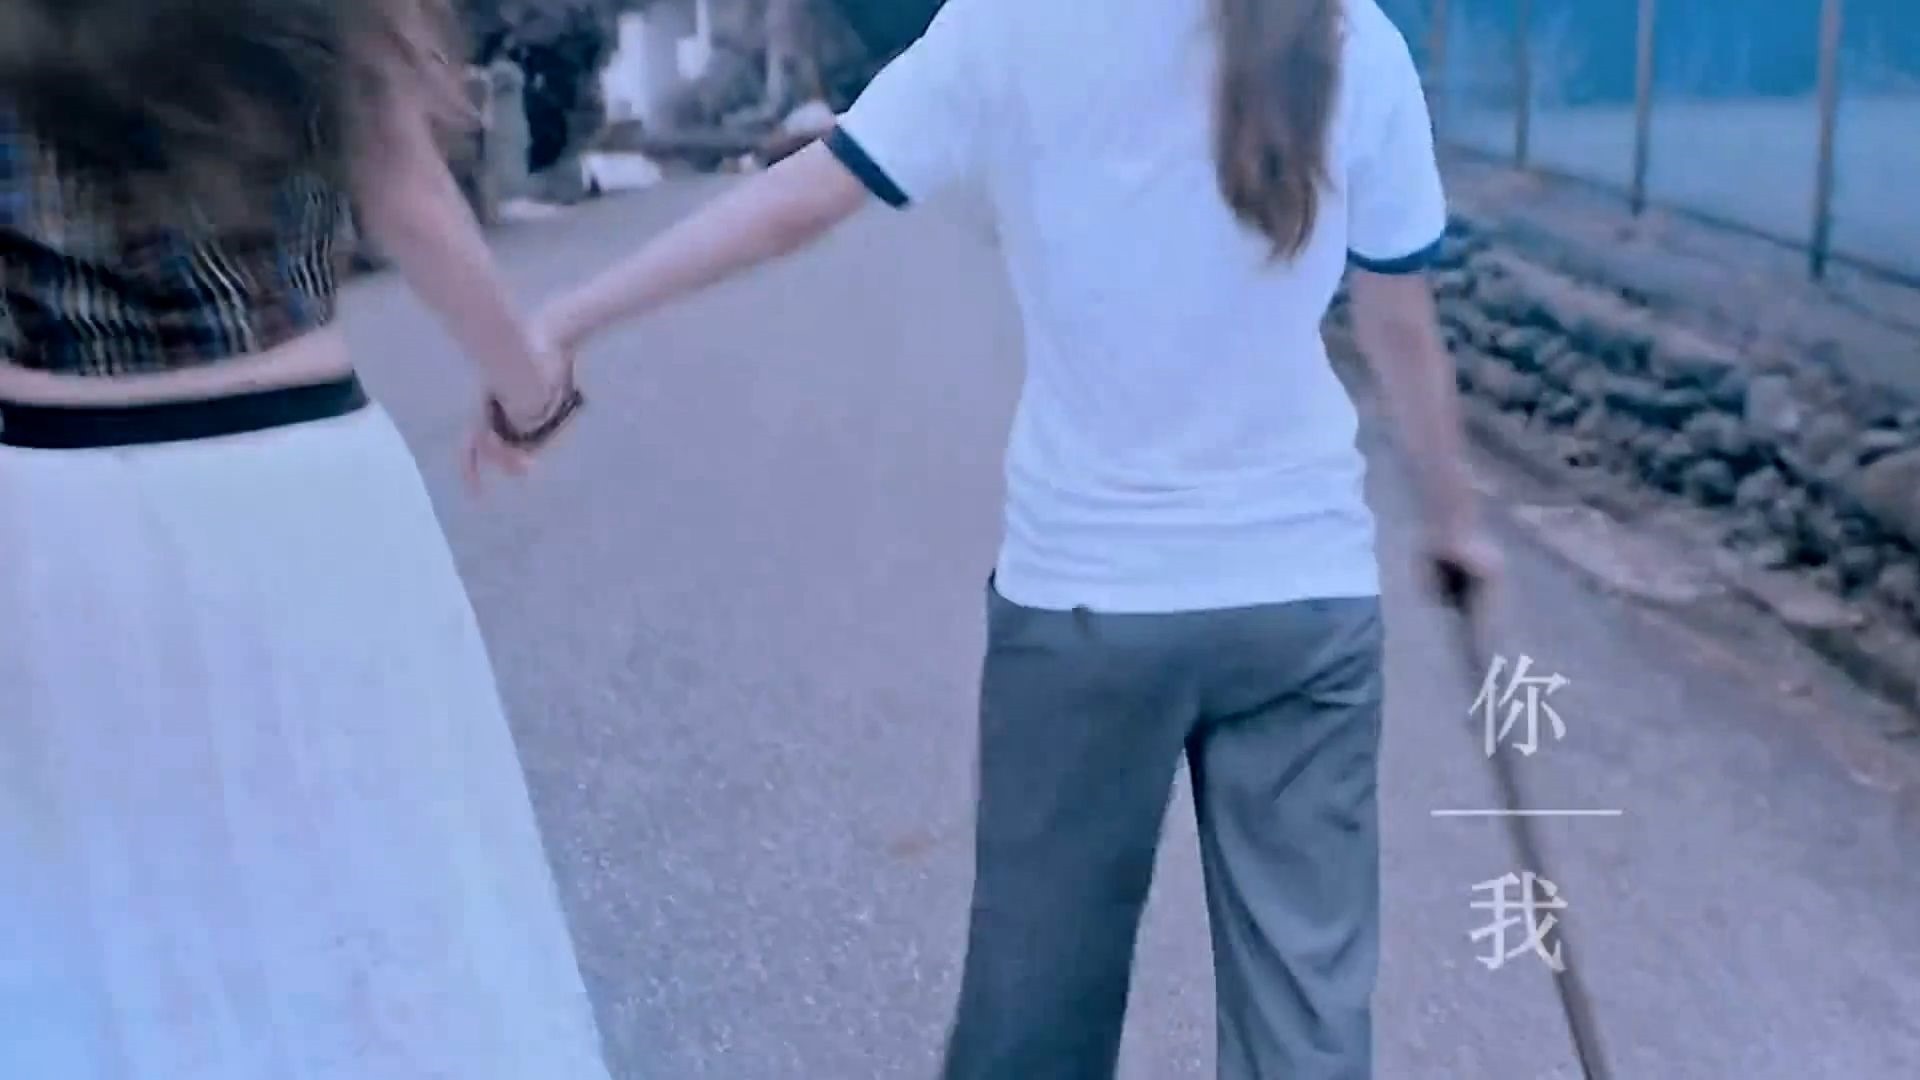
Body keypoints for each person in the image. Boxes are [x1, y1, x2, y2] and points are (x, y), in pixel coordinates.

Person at [536, 0, 1495, 1075]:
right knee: (1305, 1019)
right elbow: (1398, 320)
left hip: (1087, 604)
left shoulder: (1012, 22)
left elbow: (801, 200)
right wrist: (1454, 522)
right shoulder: (1354, 34)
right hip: (1303, 597)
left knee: (1036, 1014)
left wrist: (569, 319)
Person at [0, 2, 608, 1077]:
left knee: (115, 887)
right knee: (369, 858)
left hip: (56, 498)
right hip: (299, 479)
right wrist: (530, 392)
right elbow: (408, 196)